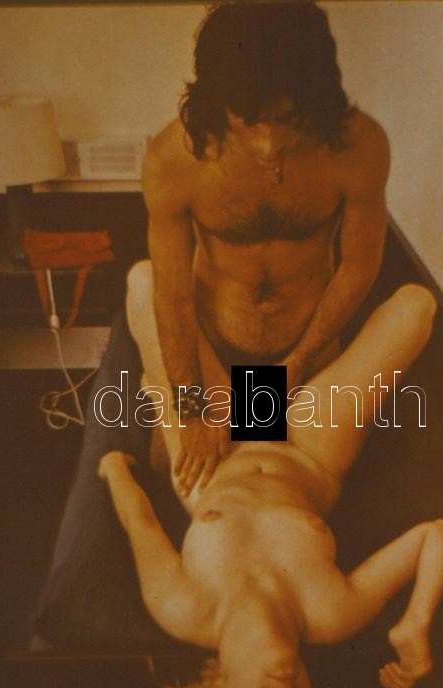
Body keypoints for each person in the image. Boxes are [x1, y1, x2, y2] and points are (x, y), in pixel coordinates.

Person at [96, 262, 443, 688]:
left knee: (147, 283)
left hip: (212, 453)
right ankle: (231, 380)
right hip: (308, 449)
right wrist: (416, 620)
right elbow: (439, 533)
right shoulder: (331, 614)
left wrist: (113, 468)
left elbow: (140, 520)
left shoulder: (184, 608)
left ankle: (166, 405)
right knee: (415, 308)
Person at [143, 2, 390, 494]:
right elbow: (172, 296)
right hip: (215, 351)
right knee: (164, 469)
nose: (268, 144)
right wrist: (192, 411)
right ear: (217, 102)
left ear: (316, 99)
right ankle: (163, 399)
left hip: (309, 353)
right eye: (248, 121)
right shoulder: (174, 158)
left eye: (286, 119)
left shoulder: (358, 147)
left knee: (303, 486)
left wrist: (295, 366)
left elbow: (359, 267)